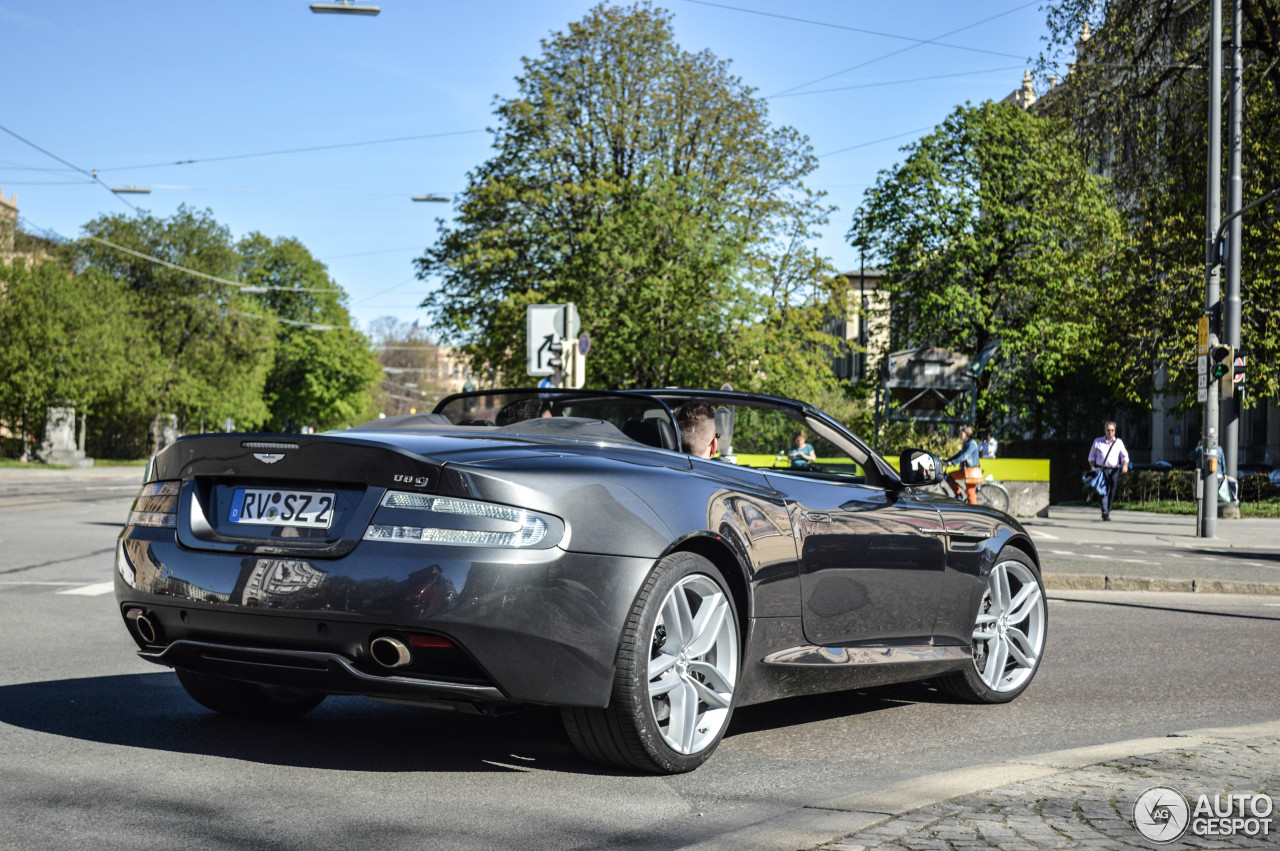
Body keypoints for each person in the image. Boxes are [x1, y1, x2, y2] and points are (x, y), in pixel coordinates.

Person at [1088, 421, 1130, 521]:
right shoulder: (1097, 441)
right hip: (1101, 469)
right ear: (1105, 430)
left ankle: (1108, 509)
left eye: (1112, 430)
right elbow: (1091, 456)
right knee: (1103, 490)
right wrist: (1093, 468)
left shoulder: (1118, 442)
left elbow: (1125, 456)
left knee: (1112, 490)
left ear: (1115, 431)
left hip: (1114, 469)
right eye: (1108, 430)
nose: (1110, 432)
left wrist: (1125, 465)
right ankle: (1105, 511)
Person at [945, 425, 982, 504]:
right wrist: (948, 460)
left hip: (971, 471)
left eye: (962, 434)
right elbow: (959, 454)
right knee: (949, 476)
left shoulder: (971, 443)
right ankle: (959, 495)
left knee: (970, 492)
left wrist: (953, 462)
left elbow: (965, 456)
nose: (960, 435)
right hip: (965, 470)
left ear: (967, 434)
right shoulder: (966, 443)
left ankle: (974, 512)